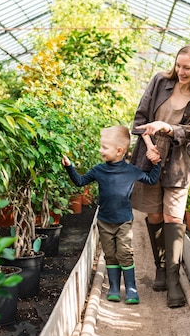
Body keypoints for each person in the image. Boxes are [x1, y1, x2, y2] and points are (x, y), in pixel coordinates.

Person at [130, 42, 190, 308]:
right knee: (155, 215)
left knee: (173, 217)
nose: (180, 71)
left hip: (177, 164)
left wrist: (167, 128)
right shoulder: (160, 82)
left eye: (187, 68)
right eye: (178, 65)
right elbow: (139, 121)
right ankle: (160, 269)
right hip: (149, 159)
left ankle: (173, 279)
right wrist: (150, 148)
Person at [62, 125, 161, 304]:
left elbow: (151, 179)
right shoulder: (98, 170)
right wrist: (70, 167)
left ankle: (131, 288)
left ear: (119, 150)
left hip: (124, 220)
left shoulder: (131, 171)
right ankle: (114, 287)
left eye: (104, 147)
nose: (100, 150)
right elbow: (80, 181)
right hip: (104, 221)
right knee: (110, 254)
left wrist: (157, 163)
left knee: (124, 252)